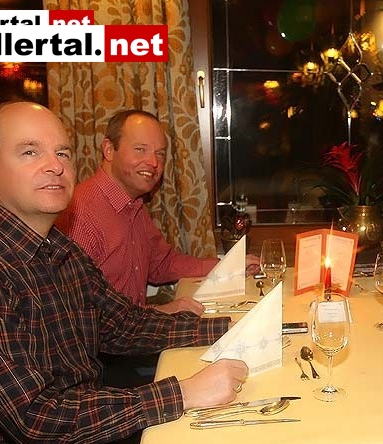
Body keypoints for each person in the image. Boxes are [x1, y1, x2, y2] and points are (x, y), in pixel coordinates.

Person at [0, 102, 249, 444]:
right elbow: (37, 419)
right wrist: (181, 393)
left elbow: (124, 325)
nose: (54, 166)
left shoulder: (57, 247)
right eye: (30, 151)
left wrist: (230, 329)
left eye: (62, 153)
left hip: (77, 443)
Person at [56, 109, 260, 316]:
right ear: (109, 150)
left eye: (160, 154)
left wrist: (229, 266)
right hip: (114, 335)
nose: (153, 163)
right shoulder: (79, 216)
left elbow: (163, 264)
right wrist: (164, 310)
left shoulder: (133, 205)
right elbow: (81, 315)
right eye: (140, 149)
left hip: (135, 326)